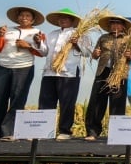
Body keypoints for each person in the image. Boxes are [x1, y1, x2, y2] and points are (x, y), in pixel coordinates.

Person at [0, 6, 48, 143]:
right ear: (17, 17)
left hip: (24, 68)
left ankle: (9, 132)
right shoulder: (7, 30)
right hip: (2, 67)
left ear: (33, 20)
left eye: (28, 16)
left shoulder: (38, 32)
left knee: (17, 99)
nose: (24, 18)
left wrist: (28, 46)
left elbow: (43, 52)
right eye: (22, 15)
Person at [39, 8, 92, 140]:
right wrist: (39, 41)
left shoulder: (80, 35)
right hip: (50, 72)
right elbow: (44, 52)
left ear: (72, 21)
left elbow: (87, 53)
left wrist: (77, 43)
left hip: (69, 72)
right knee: (46, 101)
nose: (62, 20)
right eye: (60, 18)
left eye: (66, 18)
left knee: (67, 102)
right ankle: (44, 130)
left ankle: (65, 131)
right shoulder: (51, 34)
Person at [84, 15, 131, 141]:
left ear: (123, 26)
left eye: (117, 23)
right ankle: (92, 132)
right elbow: (95, 54)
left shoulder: (129, 39)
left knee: (117, 104)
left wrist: (130, 55)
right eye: (112, 23)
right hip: (103, 72)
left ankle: (116, 134)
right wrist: (95, 54)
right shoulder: (103, 38)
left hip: (120, 74)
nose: (114, 26)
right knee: (97, 103)